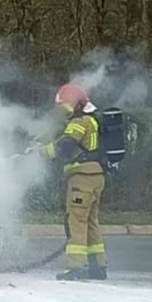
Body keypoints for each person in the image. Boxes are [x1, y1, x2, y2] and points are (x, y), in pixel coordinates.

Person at [34, 83, 107, 281]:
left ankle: (76, 267)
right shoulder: (92, 121)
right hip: (96, 176)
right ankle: (98, 266)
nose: (64, 112)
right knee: (91, 221)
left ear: (77, 104)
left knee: (76, 220)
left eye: (66, 107)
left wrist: (40, 152)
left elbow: (64, 146)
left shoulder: (80, 121)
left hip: (83, 178)